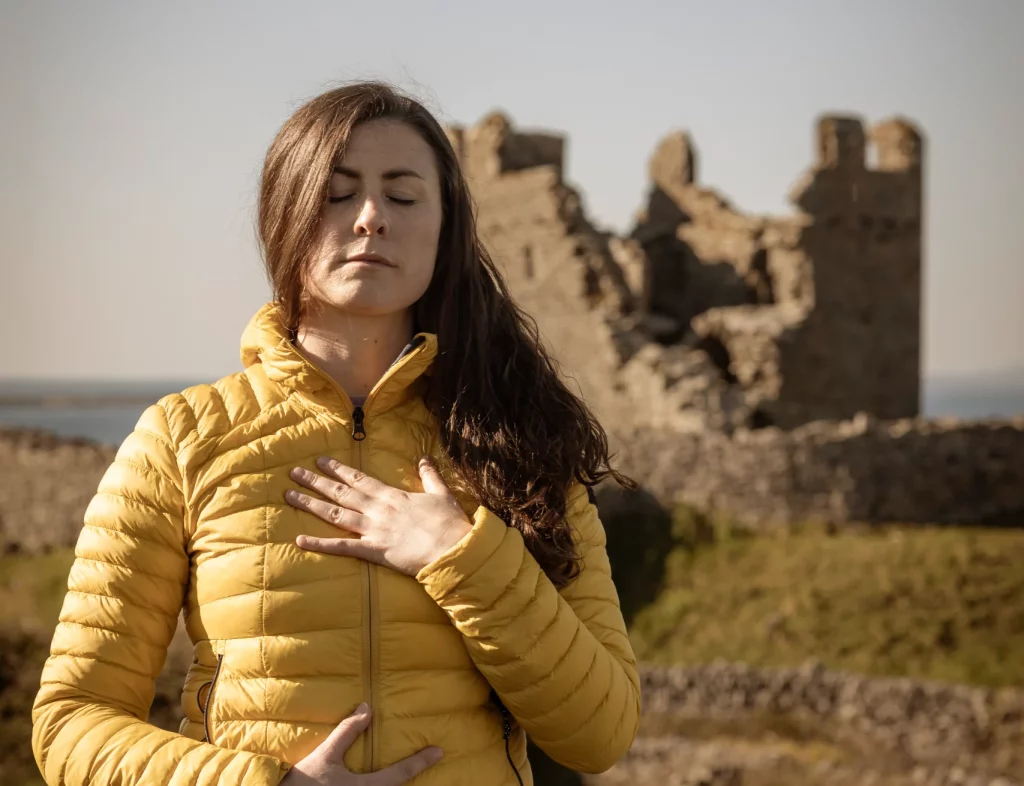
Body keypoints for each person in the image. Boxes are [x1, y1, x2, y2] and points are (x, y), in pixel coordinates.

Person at [31, 81, 641, 786]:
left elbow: (601, 734)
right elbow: (72, 722)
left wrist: (460, 555)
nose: (371, 217)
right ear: (283, 217)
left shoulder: (521, 438)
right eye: (337, 192)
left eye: (404, 196)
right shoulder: (182, 438)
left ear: (446, 231)